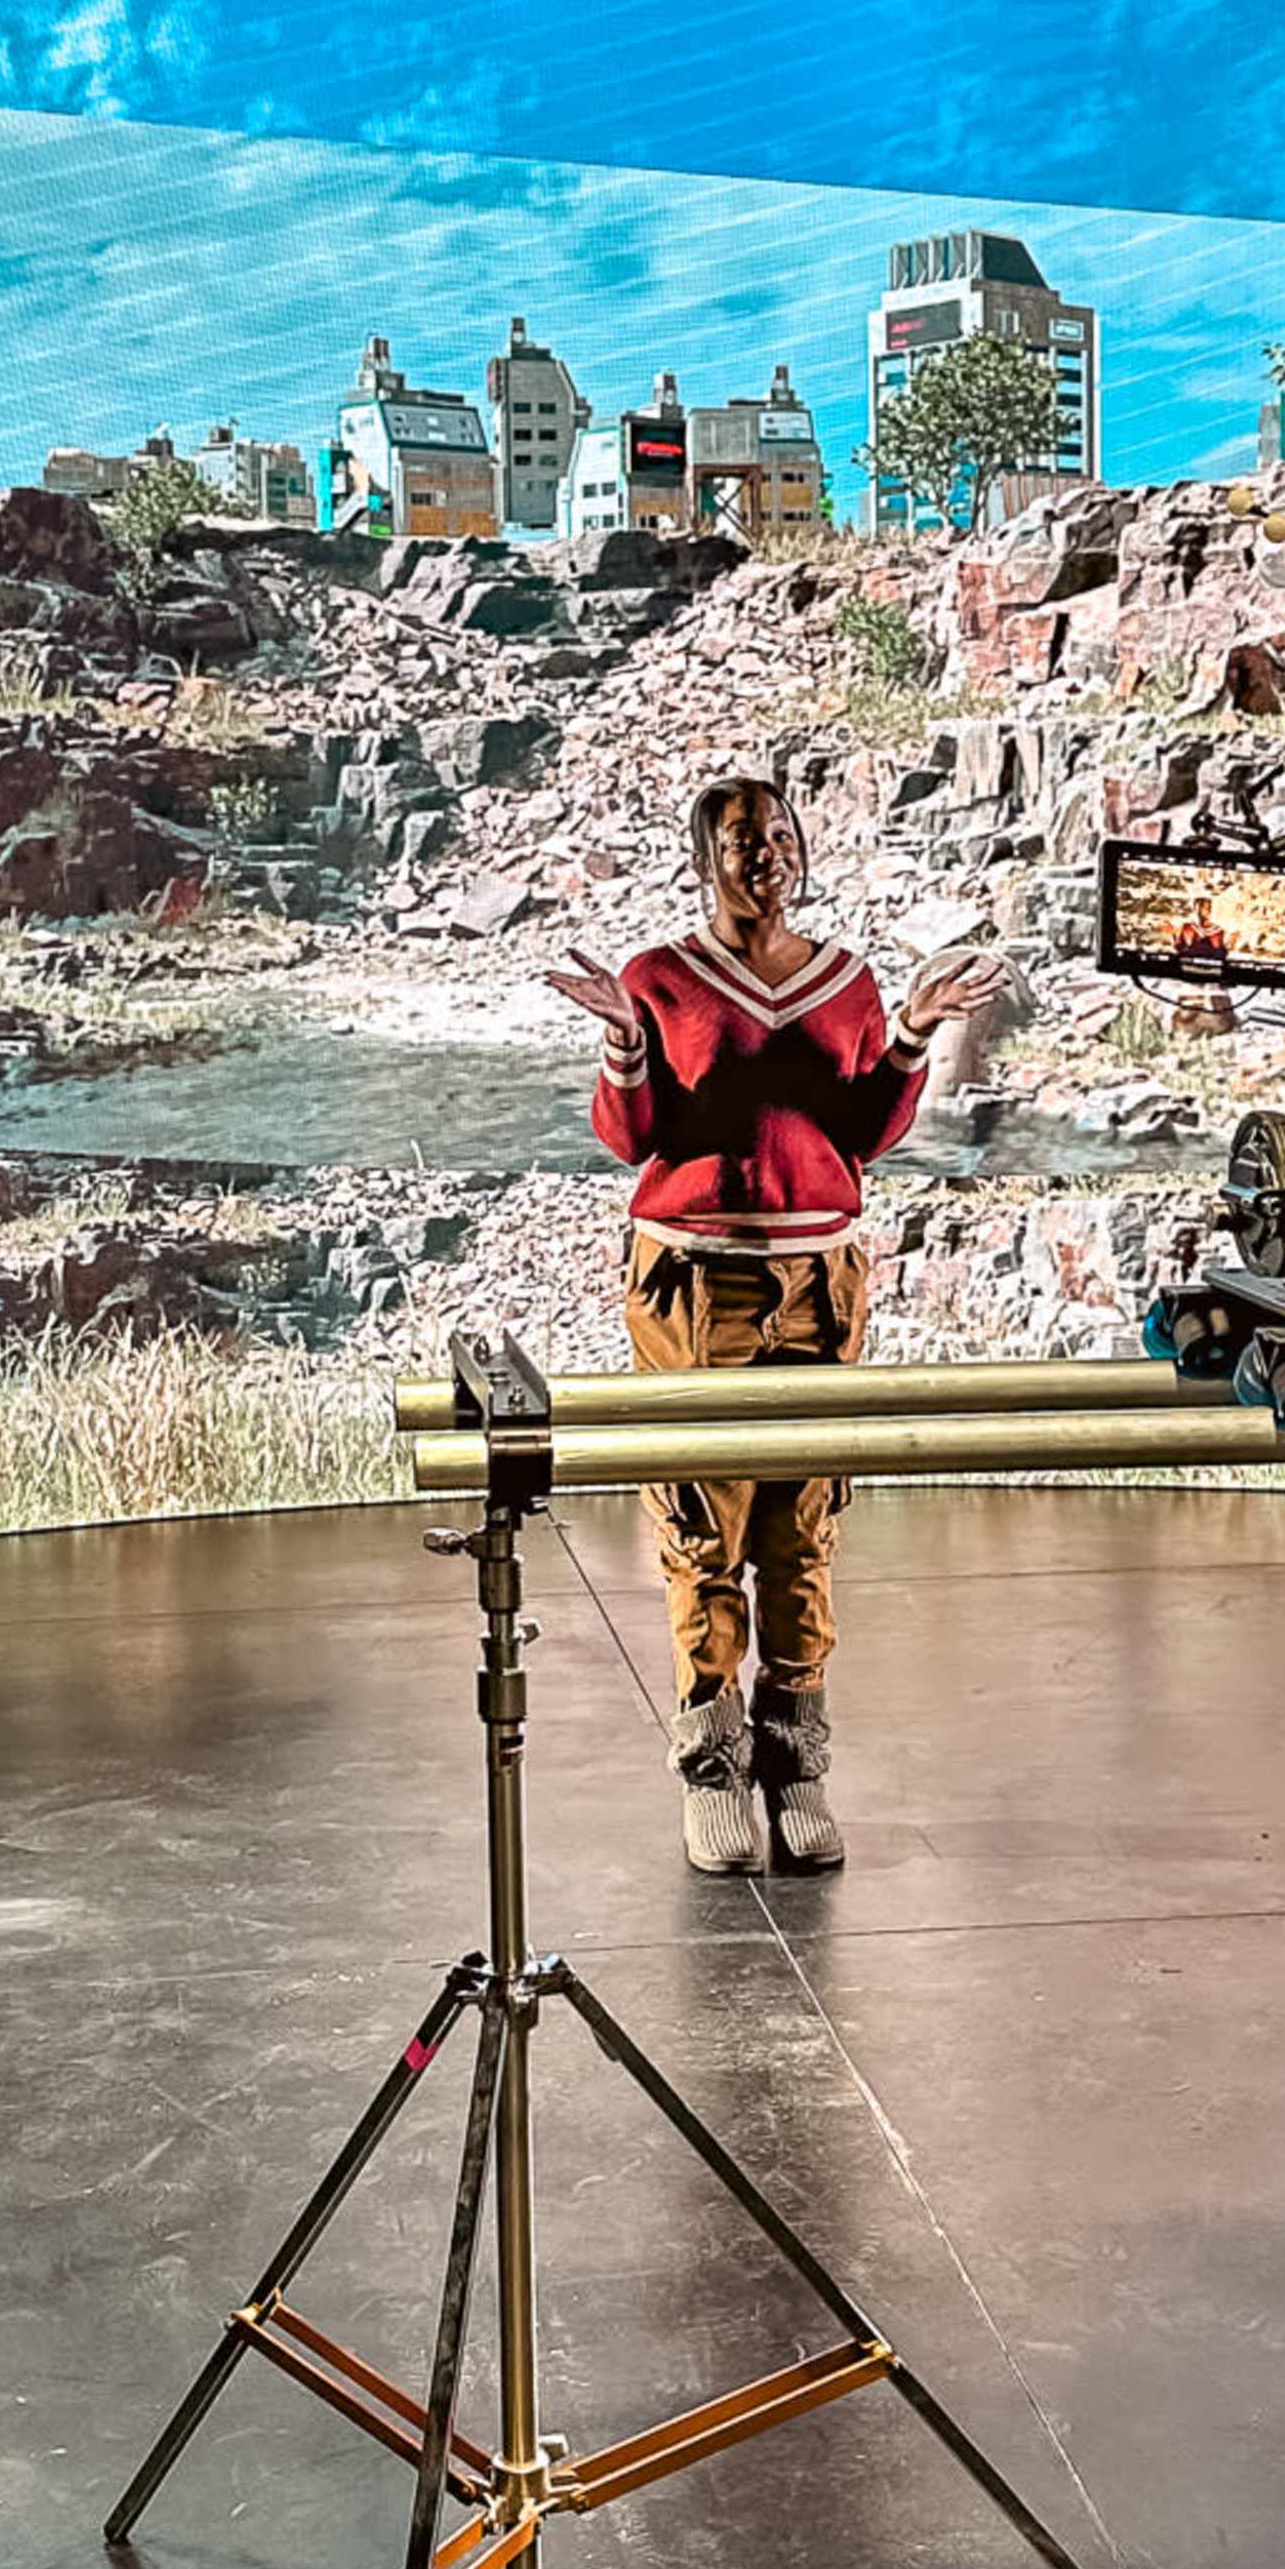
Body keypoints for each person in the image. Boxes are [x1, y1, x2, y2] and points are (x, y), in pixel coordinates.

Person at [548, 773, 1005, 1875]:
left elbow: (860, 1131)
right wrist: (622, 1038)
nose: (769, 857)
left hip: (820, 1278)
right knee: (704, 1521)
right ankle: (712, 1769)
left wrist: (911, 1035)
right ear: (704, 858)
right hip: (695, 1282)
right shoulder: (659, 978)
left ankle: (794, 1765)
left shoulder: (846, 981)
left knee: (803, 1525)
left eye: (784, 836)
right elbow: (635, 1136)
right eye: (745, 841)